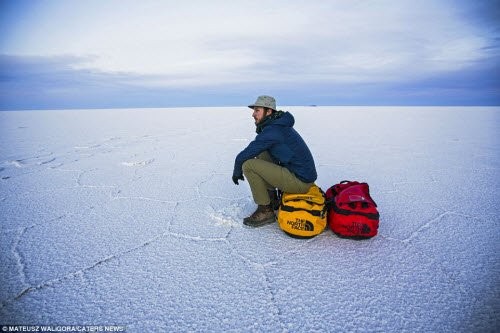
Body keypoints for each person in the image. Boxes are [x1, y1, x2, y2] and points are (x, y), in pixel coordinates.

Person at [232, 95, 318, 227]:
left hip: (300, 182)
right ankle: (272, 200)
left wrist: (237, 170)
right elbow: (256, 149)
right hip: (299, 174)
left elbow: (245, 154)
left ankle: (266, 211)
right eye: (253, 111)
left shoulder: (273, 131)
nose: (253, 114)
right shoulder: (277, 125)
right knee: (262, 150)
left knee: (248, 165)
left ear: (269, 111)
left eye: (257, 110)